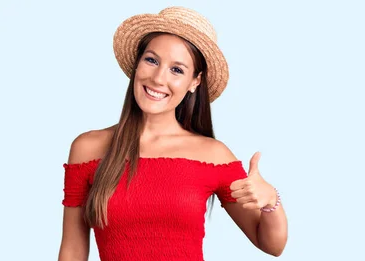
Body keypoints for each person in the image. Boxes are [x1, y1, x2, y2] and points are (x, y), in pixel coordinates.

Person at [57, 6, 288, 261]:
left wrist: (271, 202)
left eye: (176, 70)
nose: (158, 78)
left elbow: (272, 245)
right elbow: (72, 250)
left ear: (194, 82)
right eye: (152, 60)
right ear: (137, 63)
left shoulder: (212, 154)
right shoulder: (88, 148)